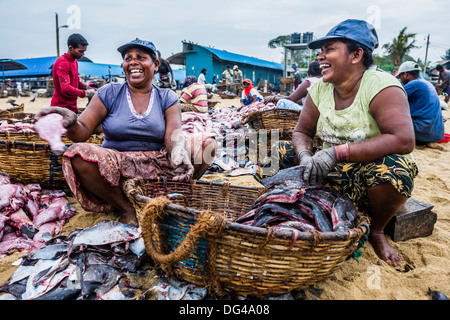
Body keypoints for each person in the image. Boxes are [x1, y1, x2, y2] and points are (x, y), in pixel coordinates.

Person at [255, 19, 418, 266]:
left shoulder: (382, 86)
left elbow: (403, 140)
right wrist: (305, 156)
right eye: (320, 51)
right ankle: (287, 209)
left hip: (365, 174)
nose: (320, 56)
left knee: (395, 170)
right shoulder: (320, 88)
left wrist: (338, 153)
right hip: (326, 172)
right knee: (275, 151)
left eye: (329, 49)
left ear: (356, 55)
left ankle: (376, 230)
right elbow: (302, 132)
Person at [36, 38, 217, 225]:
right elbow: (81, 133)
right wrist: (72, 123)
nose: (132, 62)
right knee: (77, 155)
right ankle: (124, 206)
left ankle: (171, 193)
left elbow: (174, 136)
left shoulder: (167, 96)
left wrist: (179, 153)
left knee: (208, 145)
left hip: (158, 162)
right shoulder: (108, 93)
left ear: (155, 65)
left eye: (140, 57)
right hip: (116, 163)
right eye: (127, 58)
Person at [397, 61, 444, 146]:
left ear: (406, 74)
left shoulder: (413, 84)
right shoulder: (427, 83)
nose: (401, 79)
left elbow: (394, 99)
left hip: (422, 132)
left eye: (400, 76)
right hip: (435, 134)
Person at [51, 33, 96, 113]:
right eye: (80, 51)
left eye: (84, 51)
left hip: (71, 108)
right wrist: (85, 93)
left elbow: (76, 83)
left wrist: (89, 88)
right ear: (71, 48)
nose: (83, 54)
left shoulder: (74, 62)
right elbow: (65, 88)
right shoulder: (62, 63)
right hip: (61, 109)